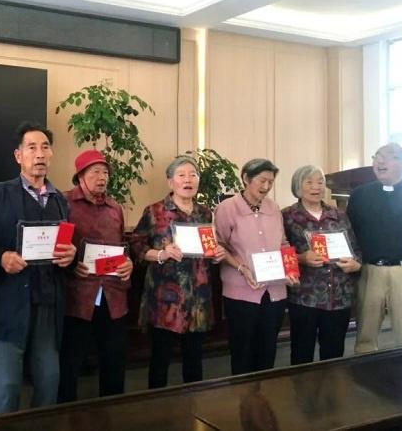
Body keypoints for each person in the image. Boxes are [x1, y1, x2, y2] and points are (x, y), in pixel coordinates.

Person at [0, 122, 76, 413]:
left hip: (46, 305)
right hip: (6, 305)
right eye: (32, 147)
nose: (39, 154)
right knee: (7, 390)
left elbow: (65, 246)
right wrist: (1, 258)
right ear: (18, 156)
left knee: (49, 382)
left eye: (45, 147)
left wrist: (71, 256)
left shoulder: (60, 201)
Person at [131, 155, 225, 388]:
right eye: (181, 175)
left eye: (193, 175)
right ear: (170, 182)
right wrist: (161, 254)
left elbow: (208, 247)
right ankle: (156, 409)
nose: (188, 180)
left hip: (198, 297)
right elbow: (137, 246)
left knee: (194, 359)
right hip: (165, 300)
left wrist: (216, 254)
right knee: (160, 359)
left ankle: (194, 411)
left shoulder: (205, 213)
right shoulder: (155, 211)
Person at [57, 149, 133, 402]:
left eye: (105, 172)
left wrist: (128, 262)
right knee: (70, 362)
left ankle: (112, 413)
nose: (102, 177)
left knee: (114, 361)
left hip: (113, 294)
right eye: (95, 172)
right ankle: (64, 415)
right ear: (80, 176)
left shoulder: (115, 208)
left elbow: (123, 245)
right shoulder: (64, 203)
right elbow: (58, 246)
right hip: (78, 296)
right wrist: (72, 264)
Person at [347, 142, 402, 353]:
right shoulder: (359, 196)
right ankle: (364, 378)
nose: (379, 161)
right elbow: (350, 236)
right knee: (365, 335)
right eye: (376, 156)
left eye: (387, 157)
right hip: (369, 272)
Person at [214, 158, 298, 375]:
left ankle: (264, 400)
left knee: (268, 349)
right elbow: (220, 246)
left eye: (270, 182)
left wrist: (290, 269)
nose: (266, 187)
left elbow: (283, 243)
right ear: (245, 179)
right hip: (241, 292)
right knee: (242, 352)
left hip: (275, 291)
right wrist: (241, 267)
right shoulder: (227, 208)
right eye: (262, 181)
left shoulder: (273, 207)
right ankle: (242, 401)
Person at [282, 165, 361, 364]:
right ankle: (302, 394)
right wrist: (301, 258)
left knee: (334, 353)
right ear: (297, 187)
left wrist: (355, 264)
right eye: (309, 182)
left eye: (320, 182)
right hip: (305, 297)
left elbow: (356, 249)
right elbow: (281, 252)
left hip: (338, 296)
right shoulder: (287, 216)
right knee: (302, 353)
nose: (316, 187)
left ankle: (331, 394)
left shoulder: (339, 215)